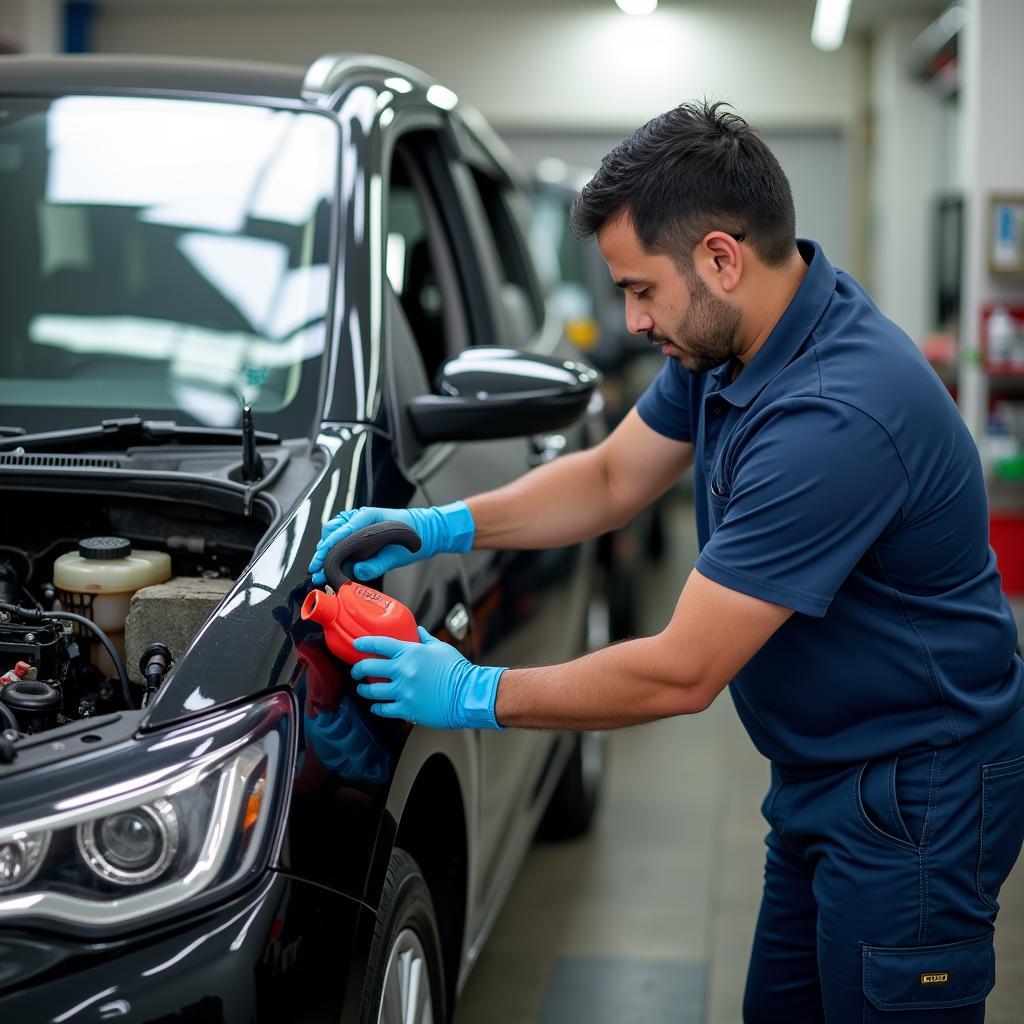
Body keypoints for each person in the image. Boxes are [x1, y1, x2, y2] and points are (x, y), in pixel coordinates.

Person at [308, 101, 1024, 1023]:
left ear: (721, 257)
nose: (632, 319)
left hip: (917, 799)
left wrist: (477, 692)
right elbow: (611, 479)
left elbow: (682, 672)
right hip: (822, 772)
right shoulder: (736, 339)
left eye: (641, 289)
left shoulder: (833, 420)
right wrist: (443, 524)